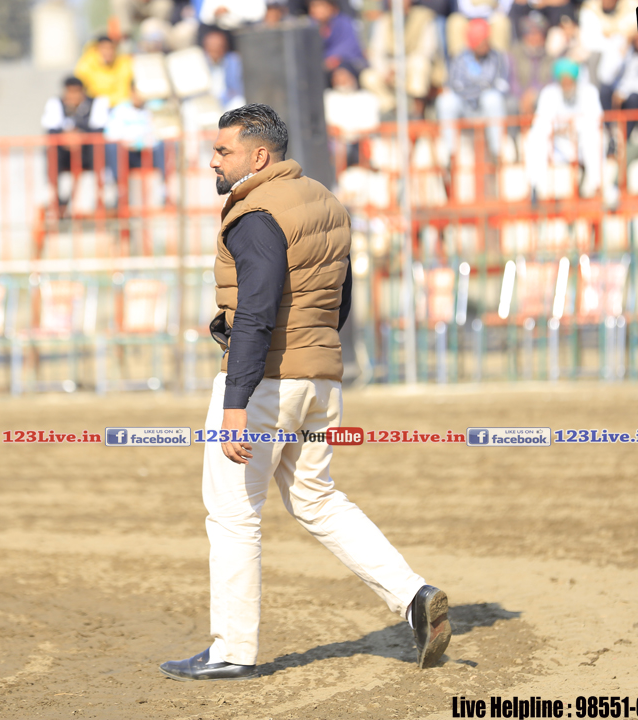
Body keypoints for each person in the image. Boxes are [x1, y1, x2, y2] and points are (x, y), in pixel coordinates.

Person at [158, 103, 451, 681]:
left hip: (266, 384)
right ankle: (413, 595)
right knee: (317, 499)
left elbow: (257, 313)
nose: (213, 161)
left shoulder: (255, 215)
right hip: (320, 380)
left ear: (258, 155)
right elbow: (337, 300)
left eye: (223, 151)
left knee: (233, 514)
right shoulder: (326, 203)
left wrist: (236, 405)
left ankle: (232, 651)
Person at [525, 57, 604, 199]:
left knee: (593, 136)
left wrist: (572, 127)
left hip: (582, 144)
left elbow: (596, 120)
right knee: (535, 137)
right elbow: (540, 123)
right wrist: (561, 129)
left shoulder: (589, 92)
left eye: (569, 80)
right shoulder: (549, 93)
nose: (566, 84)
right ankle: (535, 188)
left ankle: (597, 187)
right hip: (558, 145)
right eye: (563, 81)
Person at [436, 18, 511, 162]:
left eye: (486, 39)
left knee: (492, 99)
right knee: (445, 101)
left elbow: (501, 86)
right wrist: (482, 87)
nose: (484, 43)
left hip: (486, 109)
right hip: (465, 108)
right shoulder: (460, 58)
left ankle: (497, 153)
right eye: (480, 39)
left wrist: (475, 89)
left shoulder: (497, 57)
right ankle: (450, 156)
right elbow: (455, 86)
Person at [361, 0, 444, 118]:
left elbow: (427, 50)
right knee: (368, 77)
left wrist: (399, 67)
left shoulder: (424, 17)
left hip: (413, 66)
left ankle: (417, 113)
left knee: (419, 64)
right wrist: (384, 70)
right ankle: (393, 111)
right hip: (390, 70)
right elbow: (376, 52)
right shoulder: (384, 20)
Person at [41, 76, 109, 207]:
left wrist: (81, 136)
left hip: (87, 153)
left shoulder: (96, 103)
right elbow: (51, 130)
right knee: (52, 149)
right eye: (70, 92)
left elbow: (100, 129)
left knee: (98, 148)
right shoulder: (56, 103)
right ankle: (54, 195)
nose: (73, 96)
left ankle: (101, 194)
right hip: (65, 153)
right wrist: (67, 138)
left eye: (76, 92)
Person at [507, 13, 553, 117]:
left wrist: (534, 93)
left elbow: (550, 82)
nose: (535, 37)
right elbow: (512, 80)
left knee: (546, 101)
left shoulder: (549, 57)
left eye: (538, 33)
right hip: (518, 96)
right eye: (531, 33)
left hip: (539, 95)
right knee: (511, 104)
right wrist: (523, 96)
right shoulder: (514, 53)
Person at [309, 0, 367, 79]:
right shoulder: (308, 27)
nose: (318, 10)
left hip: (345, 64)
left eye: (321, 6)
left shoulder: (344, 23)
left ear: (332, 7)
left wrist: (333, 59)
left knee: (341, 75)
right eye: (314, 6)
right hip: (320, 68)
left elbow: (349, 46)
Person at [74, 35, 134, 109]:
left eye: (111, 48)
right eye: (104, 48)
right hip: (93, 105)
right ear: (97, 49)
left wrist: (109, 102)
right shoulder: (85, 65)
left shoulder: (123, 63)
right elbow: (78, 90)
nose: (108, 52)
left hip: (119, 105)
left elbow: (124, 89)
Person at [202, 29, 244, 112]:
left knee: (239, 102)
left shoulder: (233, 61)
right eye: (212, 47)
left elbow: (237, 88)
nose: (216, 50)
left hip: (228, 101)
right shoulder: (199, 62)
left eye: (219, 46)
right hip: (205, 102)